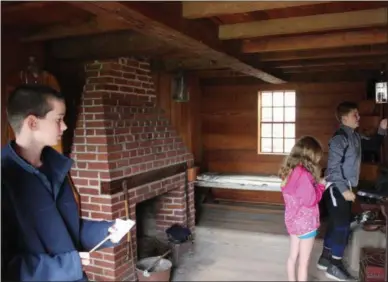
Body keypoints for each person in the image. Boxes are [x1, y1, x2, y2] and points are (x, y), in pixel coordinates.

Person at [1, 84, 130, 281]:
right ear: (32, 123)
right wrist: (67, 266)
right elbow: (7, 267)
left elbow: (65, 228)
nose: (65, 126)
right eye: (58, 120)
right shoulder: (5, 177)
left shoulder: (56, 167)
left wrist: (105, 231)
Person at [316, 101, 387, 281]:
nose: (359, 117)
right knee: (342, 226)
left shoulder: (354, 136)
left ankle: (325, 259)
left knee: (335, 223)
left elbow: (372, 145)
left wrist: (381, 128)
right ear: (344, 118)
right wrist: (344, 190)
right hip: (337, 189)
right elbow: (332, 170)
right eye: (355, 114)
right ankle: (335, 265)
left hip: (346, 188)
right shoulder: (339, 139)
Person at [279, 136, 326, 281]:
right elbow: (311, 200)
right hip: (306, 225)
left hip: (292, 222)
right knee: (304, 263)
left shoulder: (289, 171)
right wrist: (321, 186)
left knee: (292, 257)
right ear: (310, 156)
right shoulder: (304, 175)